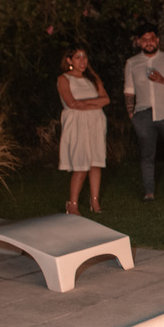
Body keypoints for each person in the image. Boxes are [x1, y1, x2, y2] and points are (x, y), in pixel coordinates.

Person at [123, 24, 164, 200]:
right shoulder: (132, 63)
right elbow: (129, 91)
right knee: (147, 156)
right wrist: (131, 114)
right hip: (143, 115)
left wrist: (162, 80)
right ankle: (149, 193)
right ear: (139, 42)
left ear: (157, 40)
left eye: (151, 39)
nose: (149, 42)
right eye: (144, 40)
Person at [57, 48, 109, 215]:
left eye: (84, 57)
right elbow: (71, 103)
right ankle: (72, 203)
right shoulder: (64, 79)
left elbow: (105, 99)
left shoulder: (92, 79)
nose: (82, 60)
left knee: (96, 162)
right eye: (78, 57)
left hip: (95, 122)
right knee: (81, 163)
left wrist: (84, 104)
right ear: (69, 60)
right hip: (77, 124)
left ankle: (95, 200)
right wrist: (94, 103)